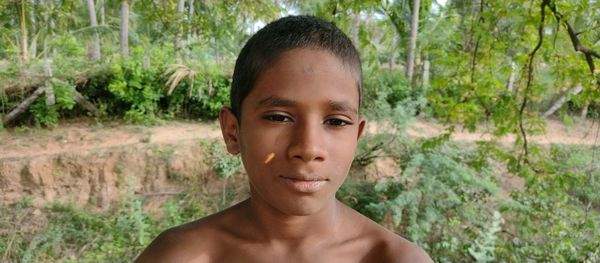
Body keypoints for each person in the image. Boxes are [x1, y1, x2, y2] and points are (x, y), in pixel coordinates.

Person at [135, 15, 432, 263]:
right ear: (232, 131)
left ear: (357, 135)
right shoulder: (182, 256)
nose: (308, 148)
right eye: (278, 117)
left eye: (336, 121)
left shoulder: (394, 258)